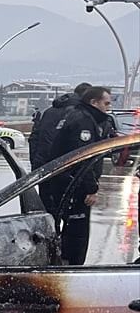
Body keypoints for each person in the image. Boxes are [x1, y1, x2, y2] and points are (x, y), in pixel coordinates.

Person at [43, 85, 114, 265]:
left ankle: (65, 261)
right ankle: (72, 268)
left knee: (69, 230)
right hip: (73, 186)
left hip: (65, 182)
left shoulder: (79, 116)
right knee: (77, 233)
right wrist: (91, 188)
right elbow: (83, 158)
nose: (108, 108)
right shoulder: (84, 122)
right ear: (94, 102)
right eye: (106, 103)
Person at [30, 82, 90, 173]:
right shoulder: (80, 114)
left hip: (43, 166)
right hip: (69, 167)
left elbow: (35, 138)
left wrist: (36, 163)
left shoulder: (48, 112)